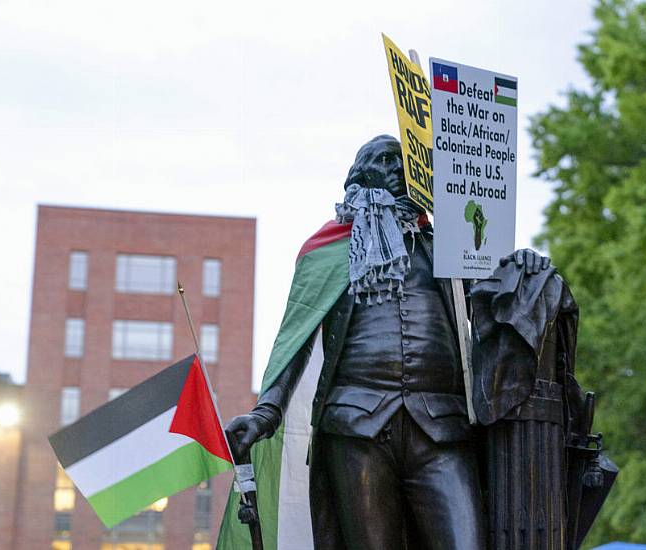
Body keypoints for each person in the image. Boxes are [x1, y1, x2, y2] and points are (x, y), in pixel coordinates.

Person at [226, 134, 547, 550]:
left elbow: (494, 304)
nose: (398, 168)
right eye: (385, 160)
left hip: (441, 426)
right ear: (360, 174)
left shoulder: (449, 249)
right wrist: (266, 412)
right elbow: (296, 339)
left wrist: (520, 270)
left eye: (406, 162)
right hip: (356, 425)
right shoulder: (329, 250)